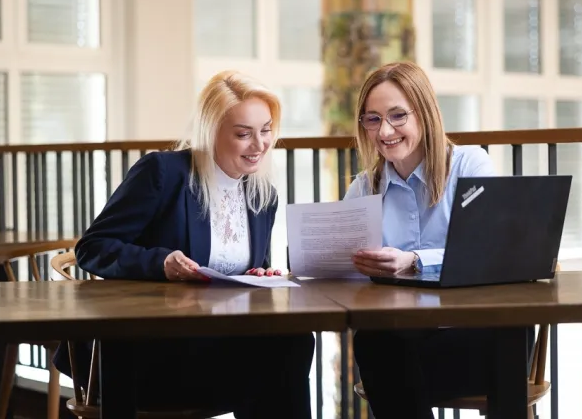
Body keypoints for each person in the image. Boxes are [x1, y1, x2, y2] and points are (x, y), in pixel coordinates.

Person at [53, 70, 314, 419]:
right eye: (243, 134)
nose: (260, 145)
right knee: (276, 363)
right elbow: (93, 247)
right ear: (211, 132)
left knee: (294, 339)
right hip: (153, 349)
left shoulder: (261, 196)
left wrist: (259, 275)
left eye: (266, 130)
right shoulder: (163, 172)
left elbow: (248, 272)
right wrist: (161, 264)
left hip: (218, 346)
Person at [344, 61, 529, 419]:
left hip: (482, 337)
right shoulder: (365, 188)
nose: (385, 131)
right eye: (373, 119)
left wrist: (414, 261)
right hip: (406, 344)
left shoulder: (470, 166)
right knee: (377, 344)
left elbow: (489, 250)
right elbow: (346, 272)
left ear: (425, 113)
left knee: (387, 367)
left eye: (398, 116)